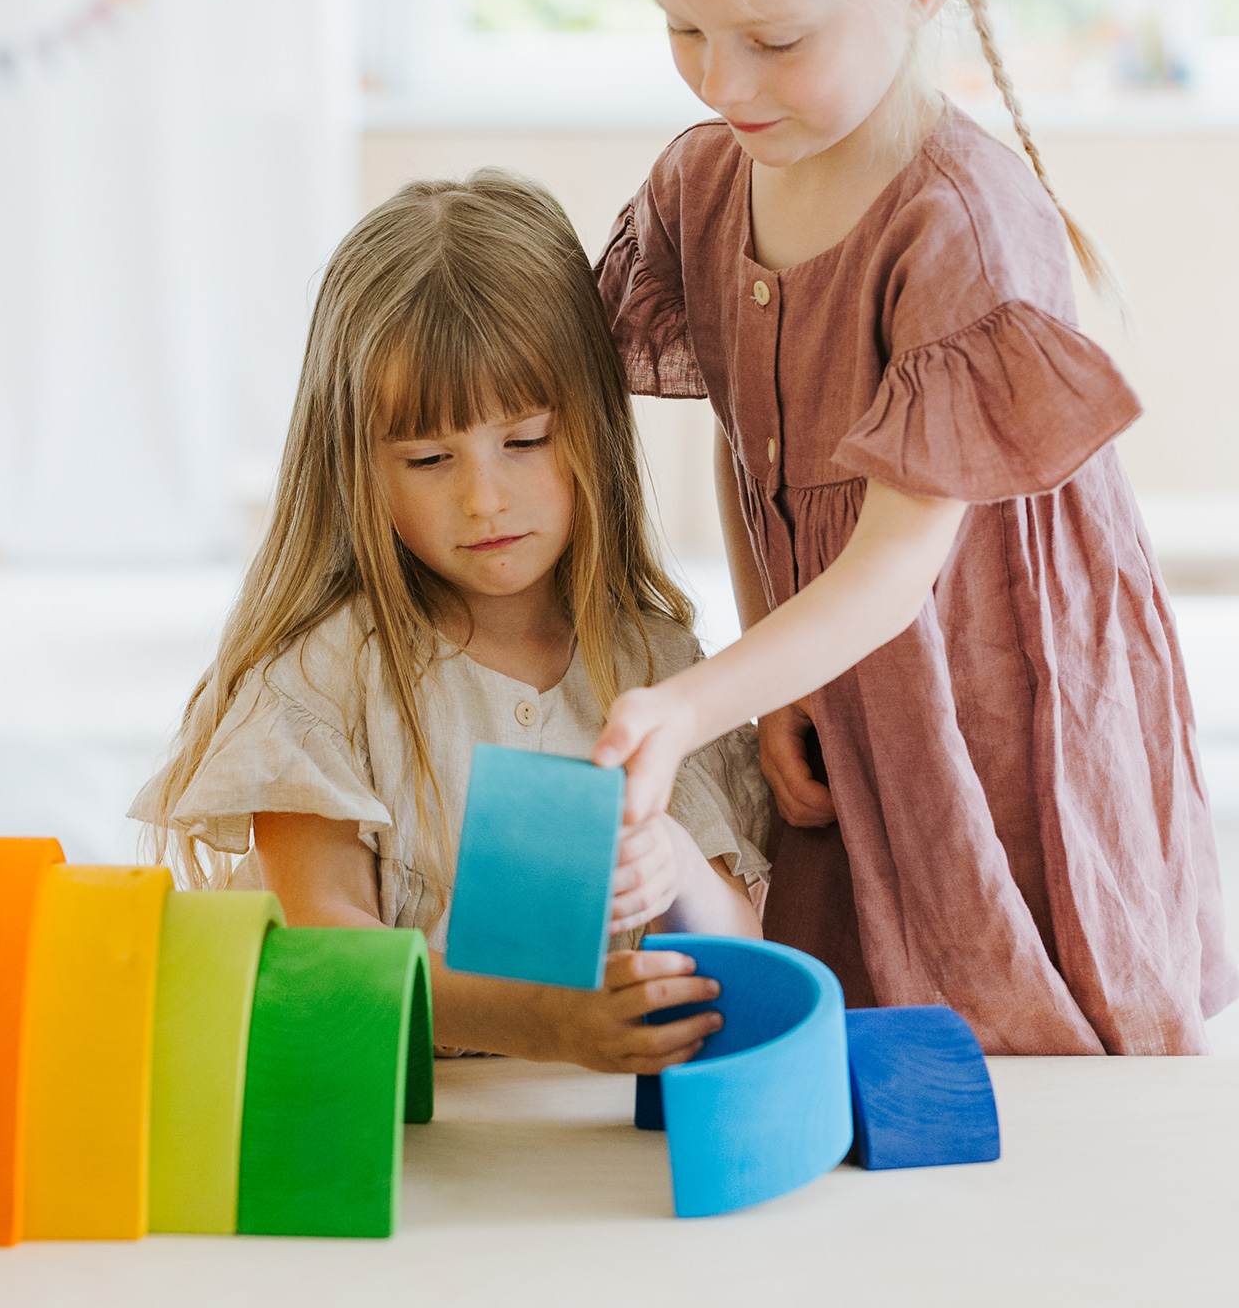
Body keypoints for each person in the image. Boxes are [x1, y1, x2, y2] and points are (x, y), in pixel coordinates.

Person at [587, 0, 1238, 1055]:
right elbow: (745, 436)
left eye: (771, 38)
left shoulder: (957, 225)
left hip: (995, 681)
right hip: (840, 662)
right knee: (862, 1001)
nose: (722, 81)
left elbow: (897, 568)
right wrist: (773, 676)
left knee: (1020, 996)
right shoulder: (708, 183)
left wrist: (696, 699)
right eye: (684, 28)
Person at [134, 171, 768, 1072]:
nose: (484, 499)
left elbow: (750, 952)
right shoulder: (321, 681)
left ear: (592, 425)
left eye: (526, 440)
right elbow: (326, 950)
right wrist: (545, 1024)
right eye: (429, 458)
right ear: (356, 464)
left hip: (598, 1155)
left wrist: (670, 860)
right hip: (396, 1147)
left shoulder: (659, 669)